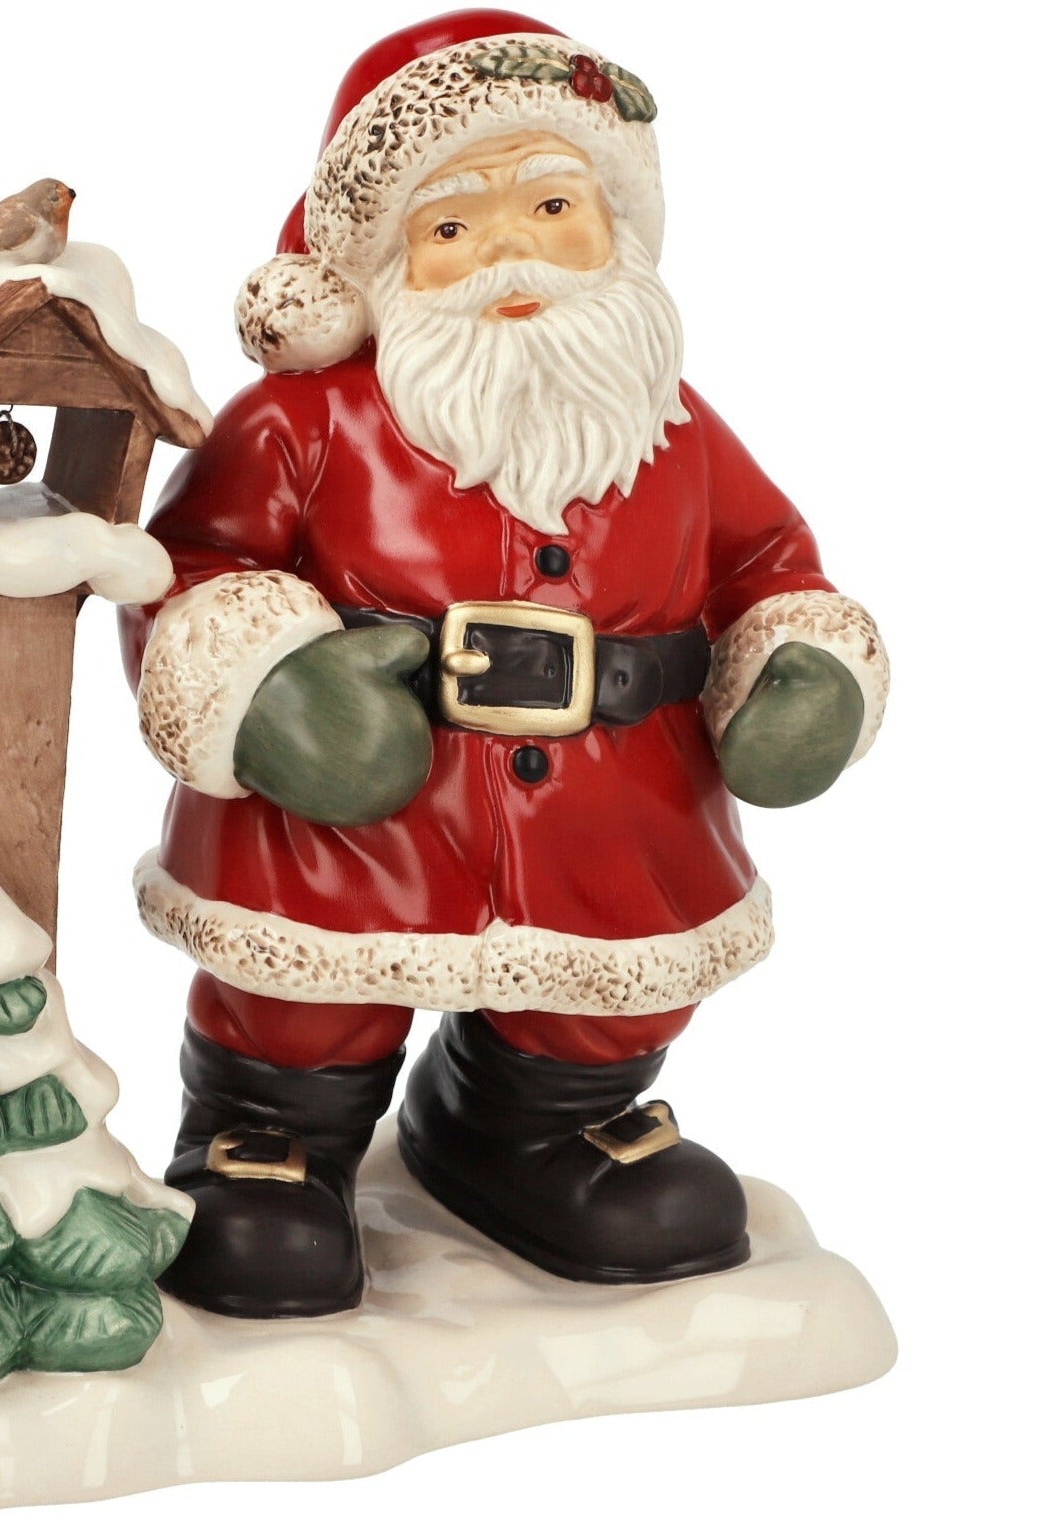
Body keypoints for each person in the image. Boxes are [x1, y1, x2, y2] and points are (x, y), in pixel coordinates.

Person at [119, 10, 888, 1317]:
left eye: (550, 204)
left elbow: (767, 562)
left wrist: (803, 666)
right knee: (307, 999)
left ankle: (526, 1129)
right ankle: (271, 1136)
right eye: (453, 224)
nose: (508, 252)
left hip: (613, 806)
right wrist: (265, 689)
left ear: (616, 227)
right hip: (352, 822)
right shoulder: (304, 423)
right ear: (382, 261)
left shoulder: (673, 428)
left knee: (597, 1005)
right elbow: (186, 564)